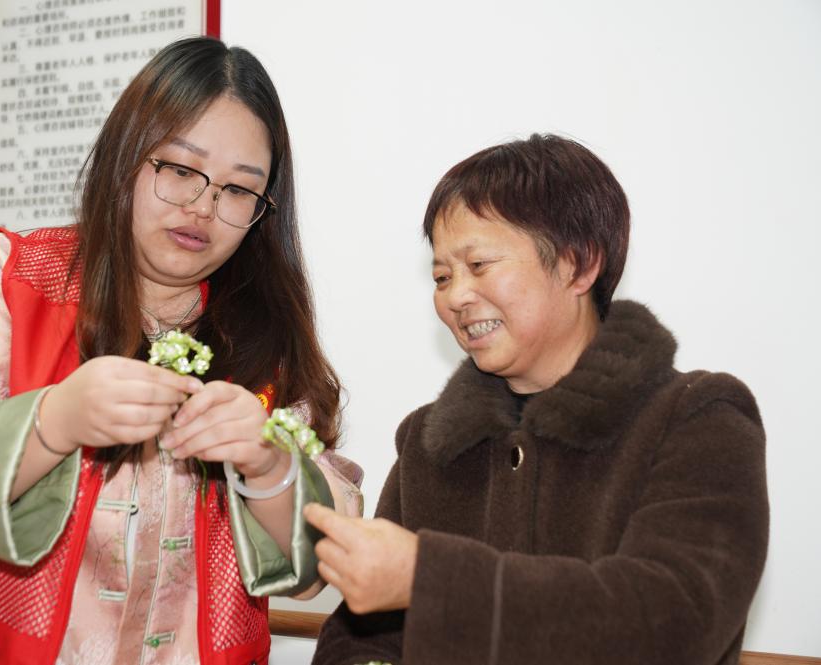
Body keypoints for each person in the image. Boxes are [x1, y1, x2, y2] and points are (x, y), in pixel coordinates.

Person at [0, 37, 363, 665]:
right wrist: (52, 422)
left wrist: (268, 466)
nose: (203, 207)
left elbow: (329, 552)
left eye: (239, 190)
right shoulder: (5, 275)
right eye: (181, 169)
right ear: (126, 156)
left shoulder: (267, 338)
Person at [306, 134, 768, 665]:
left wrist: (429, 578)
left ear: (578, 264)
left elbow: (674, 620)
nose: (455, 296)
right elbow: (362, 637)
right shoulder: (428, 442)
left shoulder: (698, 419)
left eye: (479, 265)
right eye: (442, 276)